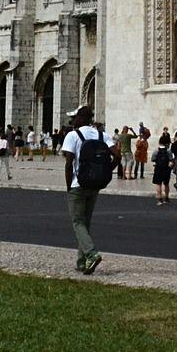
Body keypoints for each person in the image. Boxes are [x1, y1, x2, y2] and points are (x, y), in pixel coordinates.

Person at [60, 105, 110, 274]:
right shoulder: (102, 135)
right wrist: (106, 172)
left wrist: (69, 187)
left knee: (77, 222)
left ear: (80, 118)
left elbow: (68, 164)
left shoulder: (72, 135)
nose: (72, 121)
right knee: (85, 223)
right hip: (94, 184)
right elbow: (116, 155)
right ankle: (81, 262)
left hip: (77, 185)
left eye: (74, 117)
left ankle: (91, 254)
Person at [151, 131, 172, 203]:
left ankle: (159, 198)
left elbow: (153, 159)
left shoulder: (156, 151)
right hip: (166, 169)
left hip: (158, 169)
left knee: (158, 184)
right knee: (166, 184)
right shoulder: (168, 151)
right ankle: (166, 197)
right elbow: (171, 159)